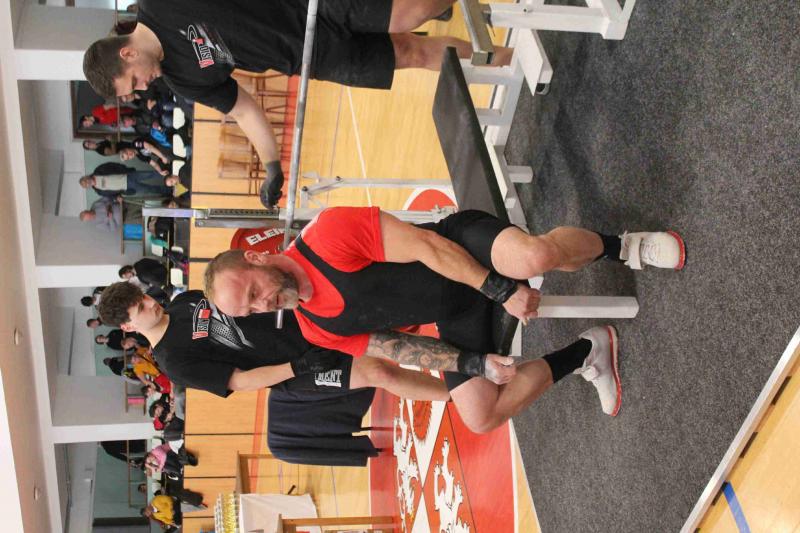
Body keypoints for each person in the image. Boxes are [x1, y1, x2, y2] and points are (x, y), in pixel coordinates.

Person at [205, 207, 686, 431]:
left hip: (462, 247)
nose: (261, 305)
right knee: (479, 416)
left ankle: (623, 246)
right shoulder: (316, 327)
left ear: (258, 258)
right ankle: (588, 351)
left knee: (534, 257)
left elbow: (428, 246)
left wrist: (500, 289)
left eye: (253, 292)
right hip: (455, 311)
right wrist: (476, 364)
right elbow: (398, 349)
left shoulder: (327, 236)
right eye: (250, 310)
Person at [82, 0, 513, 207]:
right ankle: (509, 59)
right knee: (411, 53)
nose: (143, 87)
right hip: (310, 56)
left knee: (412, 12)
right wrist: (272, 165)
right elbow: (243, 109)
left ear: (127, 53)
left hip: (312, 5)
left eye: (134, 81)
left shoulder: (162, 4)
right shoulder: (182, 80)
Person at [97, 283, 450, 402]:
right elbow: (239, 380)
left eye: (145, 297)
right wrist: (297, 367)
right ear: (128, 326)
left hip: (302, 323)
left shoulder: (184, 300)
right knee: (379, 372)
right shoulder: (173, 362)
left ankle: (458, 361)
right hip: (298, 369)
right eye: (141, 309)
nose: (151, 304)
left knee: (382, 336)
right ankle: (453, 395)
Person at [79, 162, 175, 199]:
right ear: (88, 187)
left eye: (86, 181)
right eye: (86, 185)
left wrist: (124, 168)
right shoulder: (99, 191)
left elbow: (112, 165)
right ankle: (170, 190)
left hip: (129, 176)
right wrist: (117, 198)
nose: (87, 183)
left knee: (151, 174)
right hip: (128, 188)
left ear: (86, 177)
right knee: (150, 189)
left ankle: (172, 174)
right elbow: (112, 195)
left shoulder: (98, 171)